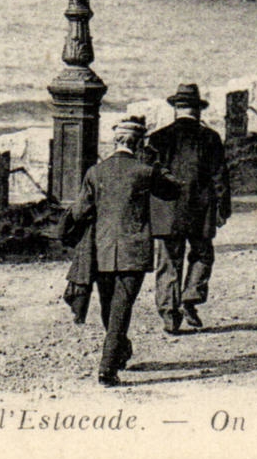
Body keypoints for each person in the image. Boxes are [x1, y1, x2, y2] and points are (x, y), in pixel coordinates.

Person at [62, 117, 181, 386]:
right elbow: (173, 190)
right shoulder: (144, 171)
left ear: (114, 141)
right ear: (138, 143)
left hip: (102, 250)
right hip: (134, 252)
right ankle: (107, 368)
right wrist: (155, 163)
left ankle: (118, 351)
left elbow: (80, 211)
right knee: (121, 308)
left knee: (109, 308)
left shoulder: (95, 172)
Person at [145, 83, 231, 334]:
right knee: (203, 254)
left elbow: (149, 176)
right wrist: (223, 209)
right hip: (200, 209)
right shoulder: (210, 137)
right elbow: (219, 177)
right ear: (198, 111)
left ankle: (169, 316)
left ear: (176, 109)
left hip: (167, 211)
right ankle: (191, 296)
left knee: (168, 261)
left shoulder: (158, 138)